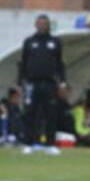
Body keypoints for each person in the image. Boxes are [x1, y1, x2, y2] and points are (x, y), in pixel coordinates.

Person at [17, 14, 66, 154]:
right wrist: (20, 83)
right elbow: (23, 63)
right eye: (40, 23)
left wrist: (62, 82)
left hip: (49, 83)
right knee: (30, 113)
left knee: (50, 113)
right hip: (32, 83)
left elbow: (60, 64)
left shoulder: (55, 42)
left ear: (49, 25)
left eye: (45, 23)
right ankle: (28, 143)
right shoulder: (29, 42)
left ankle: (50, 144)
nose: (42, 25)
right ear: (35, 25)